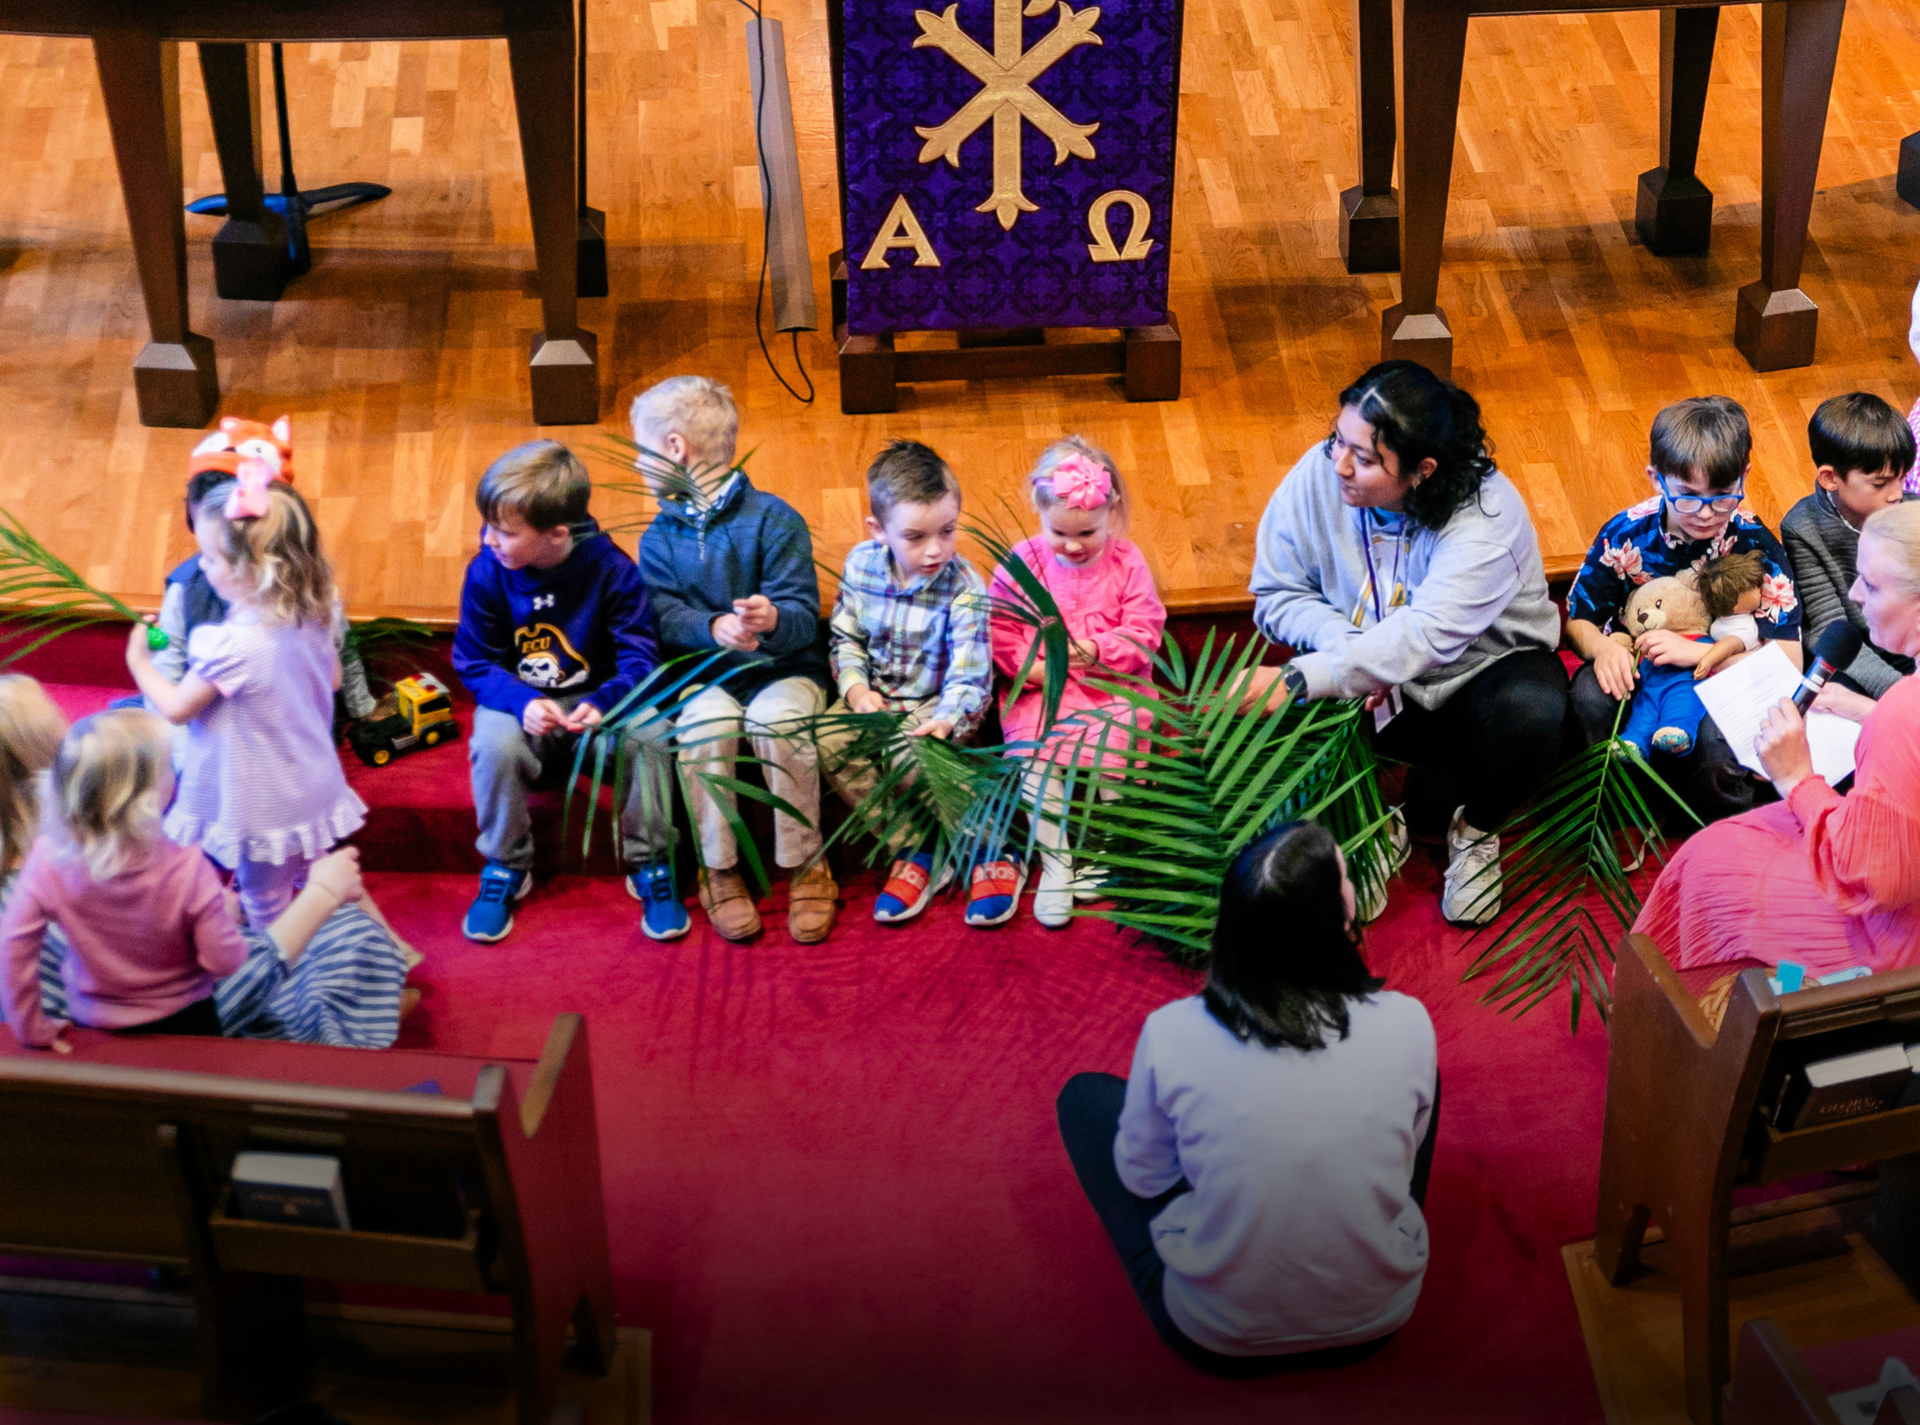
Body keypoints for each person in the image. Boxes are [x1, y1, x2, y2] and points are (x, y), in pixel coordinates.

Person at [1056, 821, 1437, 1374]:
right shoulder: (1409, 1021)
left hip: (1215, 1338)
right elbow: (1403, 1161)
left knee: (1083, 1097)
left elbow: (1144, 1178)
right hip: (1376, 1322)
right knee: (1422, 1079)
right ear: (1339, 915)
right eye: (1346, 878)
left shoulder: (1171, 1032)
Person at [1249, 360, 1566, 926]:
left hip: (1475, 683)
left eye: (1365, 459)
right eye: (1336, 441)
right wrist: (1343, 644)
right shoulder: (1322, 473)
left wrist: (1308, 674)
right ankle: (1374, 818)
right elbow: (1275, 591)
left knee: (1535, 708)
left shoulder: (1488, 519)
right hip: (1369, 684)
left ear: (1422, 470)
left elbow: (1423, 637)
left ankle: (1474, 832)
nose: (1339, 465)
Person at [1, 707, 408, 1051]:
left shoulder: (46, 860)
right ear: (148, 797)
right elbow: (225, 961)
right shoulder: (184, 866)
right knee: (352, 935)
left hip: (93, 1018)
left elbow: (15, 946)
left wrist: (30, 1028)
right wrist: (229, 911)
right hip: (189, 1025)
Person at [1634, 502, 1920, 973]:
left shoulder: (1902, 713)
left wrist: (1796, 778)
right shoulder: (1899, 707)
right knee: (1737, 835)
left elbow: (1863, 879)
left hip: (1890, 942)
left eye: (1870, 584)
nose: (1853, 594)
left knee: (1709, 862)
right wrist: (1863, 710)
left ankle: (1710, 1007)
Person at [633, 376, 838, 944]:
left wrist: (771, 621)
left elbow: (801, 614)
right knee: (705, 725)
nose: (637, 465)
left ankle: (806, 861)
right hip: (708, 676)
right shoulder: (658, 538)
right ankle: (718, 867)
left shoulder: (775, 519)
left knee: (779, 722)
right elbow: (663, 618)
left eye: (640, 449)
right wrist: (711, 628)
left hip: (784, 670)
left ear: (676, 448)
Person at [451, 440, 677, 944]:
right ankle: (507, 865)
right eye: (487, 525)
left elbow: (641, 659)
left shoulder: (613, 570)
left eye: (506, 532)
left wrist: (606, 701)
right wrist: (522, 701)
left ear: (556, 535)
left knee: (652, 732)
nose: (489, 540)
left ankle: (651, 860)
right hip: (525, 703)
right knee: (493, 743)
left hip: (600, 705)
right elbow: (473, 660)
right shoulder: (488, 571)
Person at [125, 474, 366, 930]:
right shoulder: (315, 612)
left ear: (244, 569)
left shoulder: (232, 646)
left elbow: (176, 708)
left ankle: (280, 976)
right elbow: (333, 679)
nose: (204, 565)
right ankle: (345, 948)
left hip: (260, 800)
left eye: (211, 558)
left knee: (262, 893)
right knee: (309, 874)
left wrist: (139, 661)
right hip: (306, 778)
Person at [1564, 396, 1801, 826]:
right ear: (1656, 479)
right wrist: (1602, 648)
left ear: (1744, 477)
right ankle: (1614, 809)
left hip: (1716, 683)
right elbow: (1578, 617)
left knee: (1719, 749)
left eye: (1723, 497)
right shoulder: (1625, 532)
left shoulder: (1756, 543)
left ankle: (1707, 826)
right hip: (1640, 667)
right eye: (1689, 497)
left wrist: (1704, 655)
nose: (1707, 514)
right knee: (1590, 700)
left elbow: (1789, 657)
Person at [988, 437, 1166, 928]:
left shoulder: (1127, 561)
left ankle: (1112, 853)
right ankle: (1057, 863)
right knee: (1036, 763)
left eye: (1087, 532)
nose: (1072, 545)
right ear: (1037, 513)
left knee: (1115, 748)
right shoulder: (1022, 563)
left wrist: (1097, 650)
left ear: (1112, 511)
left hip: (1112, 686)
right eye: (1058, 532)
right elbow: (1000, 629)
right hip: (1042, 690)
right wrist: (1033, 669)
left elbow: (1145, 630)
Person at [818, 440, 992, 925]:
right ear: (878, 531)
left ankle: (989, 843)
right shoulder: (861, 565)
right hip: (877, 698)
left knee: (907, 752)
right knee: (829, 740)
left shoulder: (965, 588)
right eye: (914, 537)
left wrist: (946, 720)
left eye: (948, 530)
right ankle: (916, 846)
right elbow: (845, 637)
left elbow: (970, 674)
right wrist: (854, 689)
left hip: (934, 705)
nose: (935, 548)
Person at [1780, 392, 1916, 721]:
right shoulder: (1802, 528)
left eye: (1901, 478)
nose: (1897, 493)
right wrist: (1900, 695)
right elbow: (1828, 626)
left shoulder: (1912, 513)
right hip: (1856, 656)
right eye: (1881, 483)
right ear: (1830, 478)